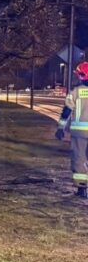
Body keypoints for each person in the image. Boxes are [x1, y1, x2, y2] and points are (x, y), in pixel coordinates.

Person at [55, 61, 88, 197]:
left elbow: (66, 111)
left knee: (79, 158)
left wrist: (60, 128)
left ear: (82, 76)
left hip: (79, 133)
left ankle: (82, 189)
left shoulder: (75, 92)